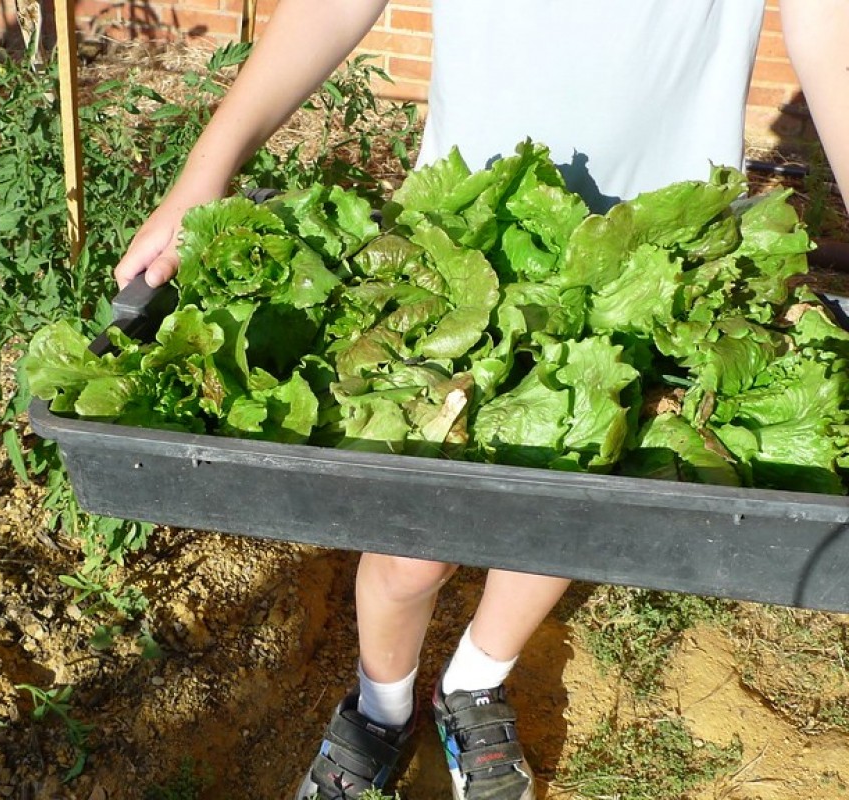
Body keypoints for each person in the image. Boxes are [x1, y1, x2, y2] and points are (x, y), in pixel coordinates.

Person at [113, 2, 849, 798]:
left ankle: (471, 684)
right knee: (408, 545)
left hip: (655, 254)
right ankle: (381, 710)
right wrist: (202, 175)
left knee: (566, 492)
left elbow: (831, 28)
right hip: (464, 228)